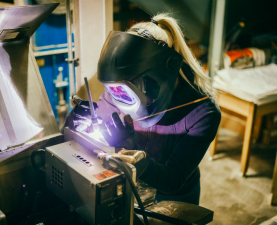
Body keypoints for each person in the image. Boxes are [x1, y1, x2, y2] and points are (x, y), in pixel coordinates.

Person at [62, 13, 221, 205]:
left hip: (174, 199)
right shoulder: (119, 88)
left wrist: (131, 147)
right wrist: (79, 121)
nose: (118, 96)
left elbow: (174, 180)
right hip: (132, 188)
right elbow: (97, 121)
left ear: (157, 75)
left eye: (127, 88)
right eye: (113, 89)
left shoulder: (202, 112)